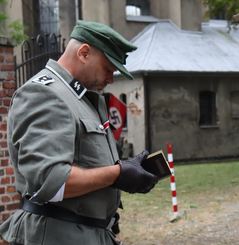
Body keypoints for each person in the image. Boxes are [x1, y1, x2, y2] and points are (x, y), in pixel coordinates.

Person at [0, 20, 158, 245]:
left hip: (86, 233)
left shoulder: (81, 98)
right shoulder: (44, 94)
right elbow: (51, 181)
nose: (111, 78)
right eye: (108, 68)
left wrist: (126, 169)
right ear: (84, 53)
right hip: (58, 235)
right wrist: (118, 173)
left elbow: (86, 161)